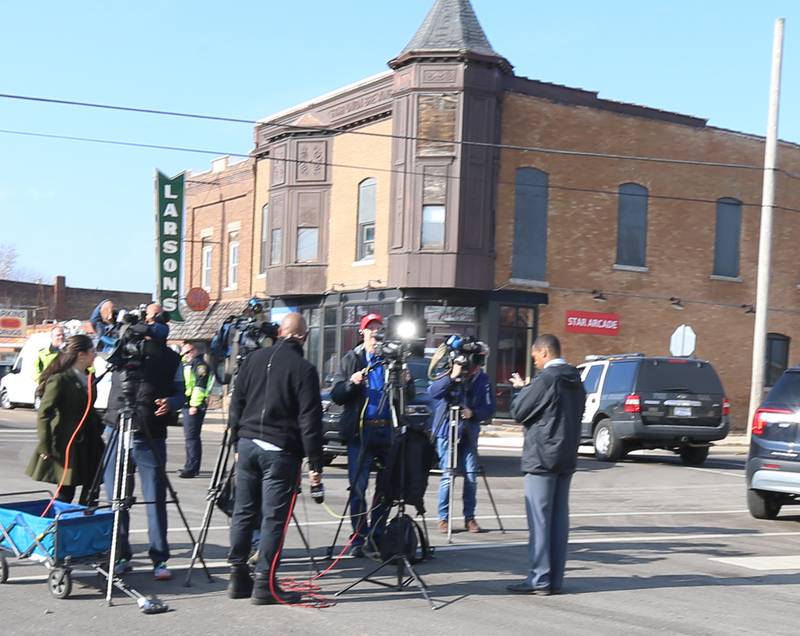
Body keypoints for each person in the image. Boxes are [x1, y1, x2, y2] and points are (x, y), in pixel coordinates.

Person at [227, 313, 323, 605]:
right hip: (279, 449)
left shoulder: (254, 359)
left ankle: (238, 574)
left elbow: (236, 402)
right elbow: (310, 421)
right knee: (272, 519)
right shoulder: (304, 369)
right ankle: (264, 583)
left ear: (281, 332)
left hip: (248, 444)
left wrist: (236, 441)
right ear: (303, 338)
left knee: (243, 511)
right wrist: (315, 464)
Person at [102, 306, 184, 582]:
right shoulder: (120, 345)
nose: (149, 325)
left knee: (155, 498)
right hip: (116, 427)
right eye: (146, 319)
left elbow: (180, 391)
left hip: (150, 432)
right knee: (116, 498)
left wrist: (172, 402)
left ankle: (159, 559)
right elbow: (99, 327)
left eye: (155, 319)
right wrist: (107, 313)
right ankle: (119, 555)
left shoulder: (172, 357)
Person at [507, 334, 586, 596]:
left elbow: (519, 411)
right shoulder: (575, 380)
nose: (535, 363)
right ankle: (555, 579)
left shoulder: (547, 379)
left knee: (540, 521)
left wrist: (521, 390)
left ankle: (539, 578)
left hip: (542, 457)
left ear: (544, 352)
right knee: (559, 520)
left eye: (535, 358)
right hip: (566, 455)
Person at [330, 313, 413, 558]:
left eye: (378, 328)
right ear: (362, 332)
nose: (375, 333)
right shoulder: (352, 359)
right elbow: (336, 394)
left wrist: (407, 383)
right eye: (370, 329)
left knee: (387, 486)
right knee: (358, 487)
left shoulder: (393, 360)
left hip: (386, 430)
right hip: (361, 430)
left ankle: (376, 534)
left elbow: (408, 397)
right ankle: (358, 536)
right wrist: (351, 383)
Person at [26, 335, 105, 505]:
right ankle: (58, 526)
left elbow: (89, 408)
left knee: (93, 488)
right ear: (80, 354)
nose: (95, 355)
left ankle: (85, 523)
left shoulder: (89, 377)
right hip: (69, 441)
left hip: (91, 441)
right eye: (92, 351)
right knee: (66, 490)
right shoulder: (60, 379)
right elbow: (44, 413)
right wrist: (45, 445)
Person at [429, 355, 495, 534]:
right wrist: (452, 376)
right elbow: (433, 392)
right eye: (472, 367)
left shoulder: (483, 379)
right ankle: (443, 518)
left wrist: (473, 413)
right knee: (447, 476)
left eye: (476, 367)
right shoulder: (449, 372)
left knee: (471, 476)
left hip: (469, 432)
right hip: (447, 430)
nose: (474, 370)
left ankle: (469, 518)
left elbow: (490, 408)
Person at [178, 342, 214, 479]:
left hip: (195, 405)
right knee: (189, 438)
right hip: (188, 403)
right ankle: (189, 465)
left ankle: (192, 468)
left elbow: (200, 386)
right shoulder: (189, 364)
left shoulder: (200, 365)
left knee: (192, 438)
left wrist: (194, 405)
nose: (184, 356)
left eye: (186, 353)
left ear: (193, 351)